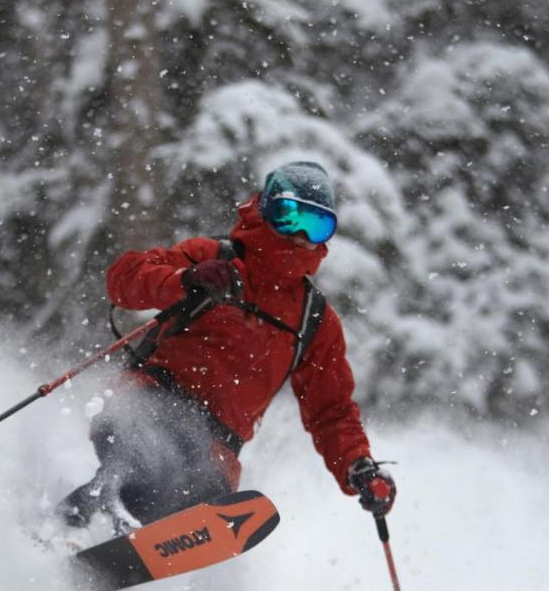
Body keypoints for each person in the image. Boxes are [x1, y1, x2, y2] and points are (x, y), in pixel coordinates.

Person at [57, 161, 395, 537]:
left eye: (316, 225)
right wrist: (185, 280)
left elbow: (331, 410)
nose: (299, 235)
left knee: (194, 491)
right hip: (153, 399)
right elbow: (125, 279)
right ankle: (86, 519)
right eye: (288, 216)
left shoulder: (312, 318)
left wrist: (356, 465)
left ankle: (129, 553)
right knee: (142, 453)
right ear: (266, 210)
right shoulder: (214, 258)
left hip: (216, 445)